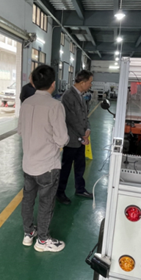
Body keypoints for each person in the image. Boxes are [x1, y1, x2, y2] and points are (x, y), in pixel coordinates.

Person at [17, 65, 69, 253]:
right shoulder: (55, 106)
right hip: (47, 166)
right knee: (46, 203)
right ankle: (43, 240)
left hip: (28, 164)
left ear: (33, 83)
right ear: (53, 84)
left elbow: (20, 130)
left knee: (28, 200)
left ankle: (28, 233)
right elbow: (62, 139)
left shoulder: (26, 103)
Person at [57, 70, 94, 205]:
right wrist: (83, 134)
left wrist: (88, 129)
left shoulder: (81, 96)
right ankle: (60, 192)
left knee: (80, 165)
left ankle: (80, 189)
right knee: (66, 167)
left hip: (81, 138)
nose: (90, 85)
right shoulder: (68, 96)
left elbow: (85, 116)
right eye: (90, 82)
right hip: (71, 139)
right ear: (83, 82)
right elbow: (71, 119)